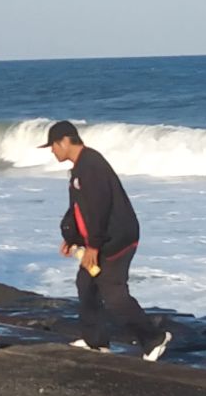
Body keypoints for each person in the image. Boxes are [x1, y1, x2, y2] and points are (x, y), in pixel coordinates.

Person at [41, 121, 170, 361]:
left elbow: (100, 208)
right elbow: (80, 209)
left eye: (53, 146)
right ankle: (96, 341)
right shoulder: (80, 168)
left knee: (113, 293)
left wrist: (93, 246)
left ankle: (154, 339)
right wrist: (73, 239)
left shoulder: (91, 165)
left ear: (65, 141)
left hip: (118, 239)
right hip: (101, 239)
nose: (52, 151)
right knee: (86, 284)